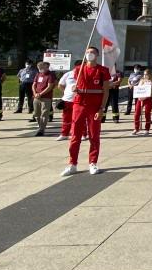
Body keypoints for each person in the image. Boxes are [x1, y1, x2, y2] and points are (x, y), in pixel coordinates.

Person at [63, 45, 110, 176]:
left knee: (94, 135)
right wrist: (74, 89)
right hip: (79, 105)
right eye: (88, 52)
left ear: (97, 55)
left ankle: (93, 162)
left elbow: (106, 91)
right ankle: (72, 164)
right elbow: (76, 85)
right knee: (75, 135)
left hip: (94, 106)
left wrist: (102, 108)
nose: (90, 54)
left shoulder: (103, 70)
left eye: (93, 52)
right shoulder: (78, 69)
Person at [56, 62, 80, 141]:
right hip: (67, 100)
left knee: (79, 119)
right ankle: (64, 134)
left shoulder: (85, 73)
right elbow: (60, 85)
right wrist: (66, 92)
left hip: (79, 100)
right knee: (66, 118)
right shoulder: (68, 74)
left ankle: (82, 134)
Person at [32, 61, 56, 137]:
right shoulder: (38, 74)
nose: (40, 69)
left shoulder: (50, 75)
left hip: (46, 98)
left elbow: (50, 87)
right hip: (36, 97)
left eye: (41, 68)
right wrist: (35, 93)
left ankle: (41, 129)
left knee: (44, 114)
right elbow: (34, 85)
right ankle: (40, 127)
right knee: (36, 114)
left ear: (45, 67)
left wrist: (41, 94)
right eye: (39, 68)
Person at [132, 68, 152, 136]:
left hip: (148, 99)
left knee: (147, 114)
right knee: (137, 113)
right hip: (140, 99)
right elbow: (138, 90)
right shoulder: (141, 81)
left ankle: (147, 129)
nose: (145, 76)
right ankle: (136, 128)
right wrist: (139, 97)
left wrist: (146, 96)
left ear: (149, 75)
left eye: (146, 74)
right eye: (144, 74)